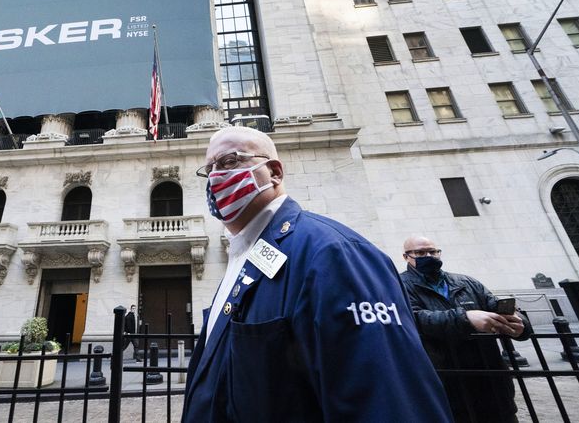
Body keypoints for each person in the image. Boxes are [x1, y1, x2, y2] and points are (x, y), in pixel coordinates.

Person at [182, 126, 453, 422]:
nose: (215, 177)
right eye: (209, 170)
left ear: (274, 172)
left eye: (229, 161)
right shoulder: (244, 255)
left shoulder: (334, 252)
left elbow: (387, 401)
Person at [400, 236, 533, 423]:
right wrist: (466, 318)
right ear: (406, 257)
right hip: (444, 378)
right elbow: (414, 319)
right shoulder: (398, 286)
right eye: (420, 253)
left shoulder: (467, 282)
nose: (428, 256)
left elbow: (495, 305)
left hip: (490, 379)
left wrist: (520, 325)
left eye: (433, 251)